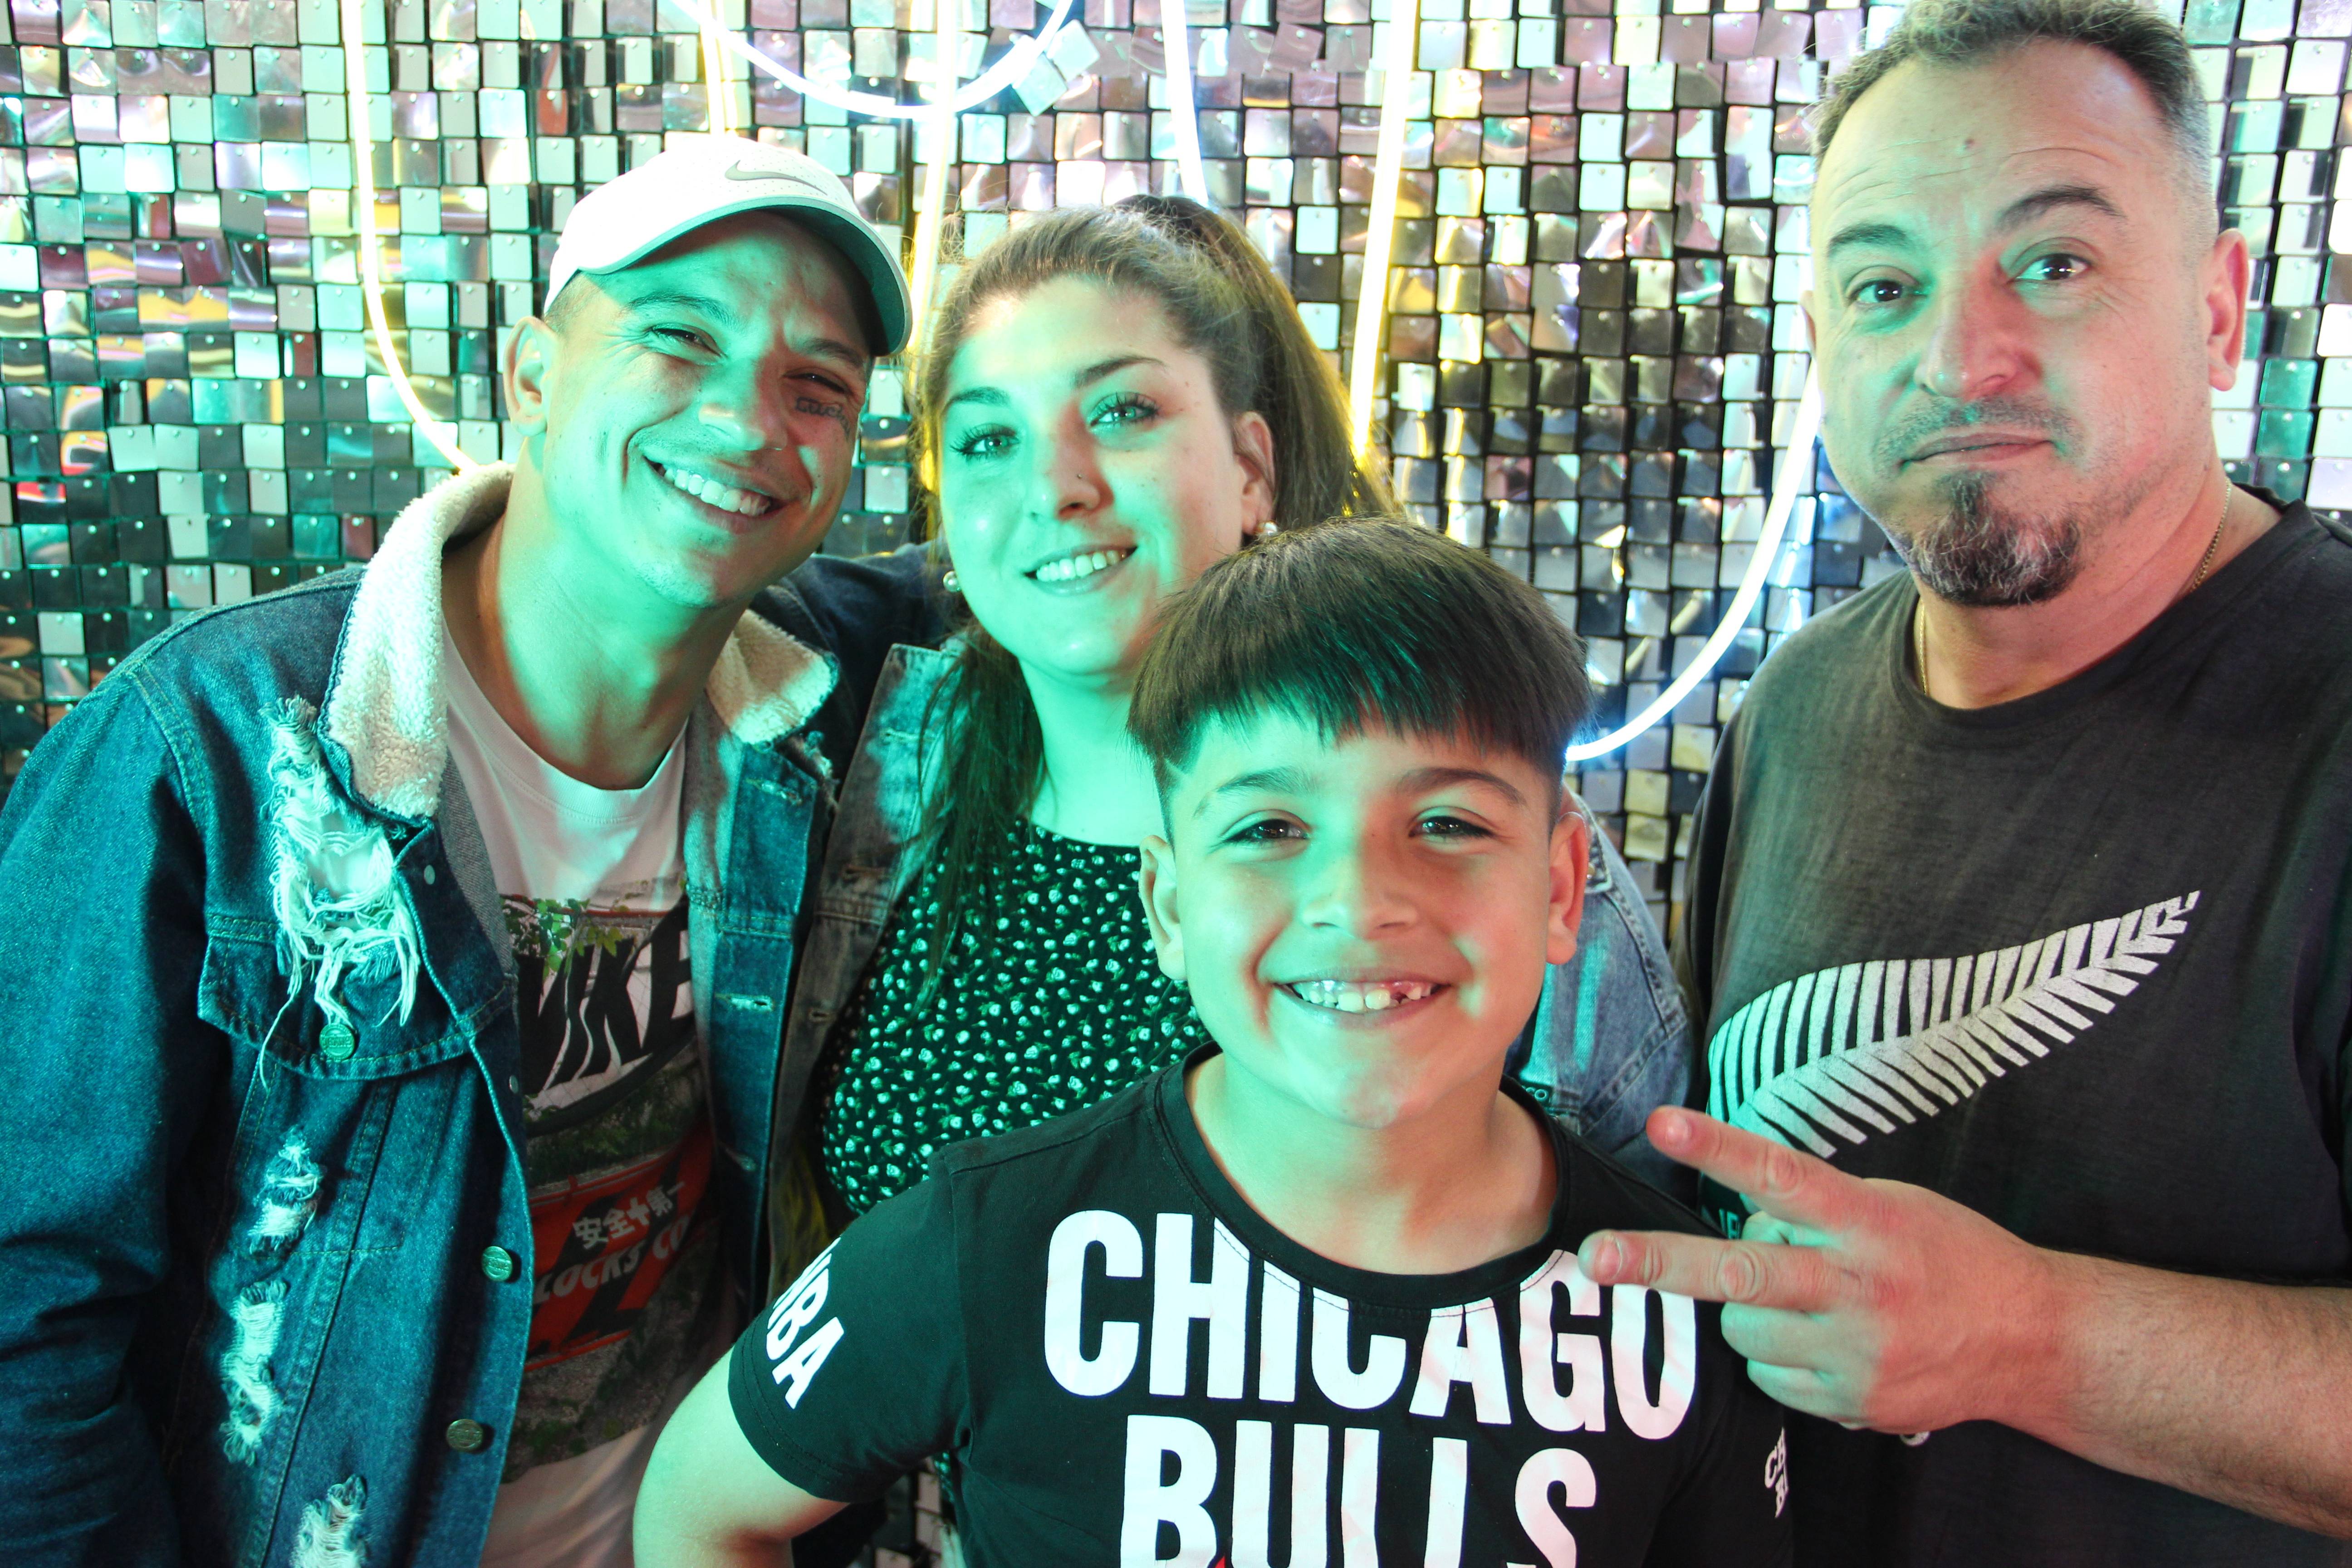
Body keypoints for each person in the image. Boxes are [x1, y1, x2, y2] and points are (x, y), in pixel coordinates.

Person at [0, 137, 937, 1565]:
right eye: (679, 340)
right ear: (531, 377)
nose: (750, 421)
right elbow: (27, 1315)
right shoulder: (203, 752)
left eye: (816, 386)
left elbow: (1046, 563)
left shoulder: (818, 713)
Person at [1569, 0, 2352, 1562]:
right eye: (1885, 287)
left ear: (2215, 311)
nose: (1955, 357)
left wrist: (2032, 1337)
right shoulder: (1796, 707)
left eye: (2052, 264)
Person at [633, 519, 1793, 1568]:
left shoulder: (1683, 1315)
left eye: (1446, 822)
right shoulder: (988, 1241)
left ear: (1560, 887)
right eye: (1270, 827)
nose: (1358, 900)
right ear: (1172, 904)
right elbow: (700, 1507)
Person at [770, 198, 1692, 1299]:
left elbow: (1647, 1279)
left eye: (1122, 411)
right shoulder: (869, 755)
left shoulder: (1481, 846)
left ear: (1252, 468)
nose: (1056, 485)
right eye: (987, 440)